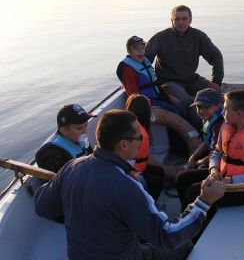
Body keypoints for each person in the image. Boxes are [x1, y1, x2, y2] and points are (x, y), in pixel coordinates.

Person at [34, 109, 225, 260]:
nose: (141, 142)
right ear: (124, 145)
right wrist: (204, 201)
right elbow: (167, 235)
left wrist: (64, 187)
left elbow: (42, 206)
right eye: (138, 137)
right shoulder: (127, 186)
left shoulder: (70, 168)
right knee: (185, 245)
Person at [180, 90, 244, 210]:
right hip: (222, 176)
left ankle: (197, 219)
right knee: (183, 178)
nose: (222, 112)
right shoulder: (226, 126)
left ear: (239, 114)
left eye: (225, 109)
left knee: (193, 192)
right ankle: (184, 215)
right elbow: (217, 152)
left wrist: (229, 180)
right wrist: (213, 170)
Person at [145, 5, 224, 108]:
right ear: (172, 21)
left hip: (191, 79)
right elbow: (144, 60)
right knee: (186, 101)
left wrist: (216, 81)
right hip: (168, 81)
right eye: (177, 19)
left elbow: (216, 56)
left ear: (190, 20)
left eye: (184, 19)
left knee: (216, 95)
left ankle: (217, 117)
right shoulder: (161, 37)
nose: (181, 22)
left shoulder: (198, 36)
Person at [176, 88, 224, 208]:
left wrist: (198, 162)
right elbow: (207, 142)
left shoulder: (219, 125)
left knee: (194, 175)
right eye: (199, 107)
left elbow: (215, 153)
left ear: (217, 107)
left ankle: (191, 208)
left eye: (206, 107)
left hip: (219, 164)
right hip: (213, 158)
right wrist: (193, 156)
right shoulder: (209, 119)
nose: (201, 111)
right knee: (189, 174)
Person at [116, 35, 184, 116]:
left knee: (181, 105)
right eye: (136, 49)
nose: (140, 51)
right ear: (129, 51)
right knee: (174, 111)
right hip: (145, 104)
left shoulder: (145, 61)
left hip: (157, 97)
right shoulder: (128, 69)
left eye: (142, 48)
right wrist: (148, 107)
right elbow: (134, 95)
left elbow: (154, 83)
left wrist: (169, 95)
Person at [35, 104, 94, 173]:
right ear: (64, 131)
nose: (85, 131)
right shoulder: (51, 153)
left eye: (86, 126)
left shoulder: (78, 138)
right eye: (79, 128)